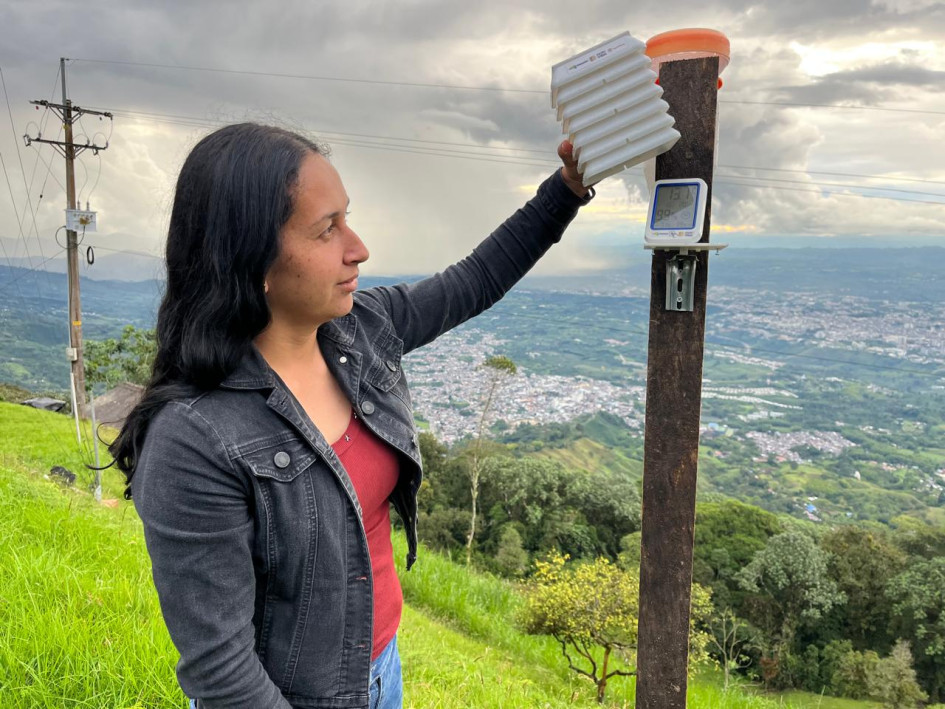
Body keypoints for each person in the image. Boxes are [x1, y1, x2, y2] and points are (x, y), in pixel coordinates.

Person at [111, 122, 593, 709]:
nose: (358, 247)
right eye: (326, 229)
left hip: (380, 671)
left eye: (347, 217)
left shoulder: (361, 330)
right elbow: (223, 674)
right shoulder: (193, 438)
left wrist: (568, 185)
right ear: (252, 256)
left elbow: (475, 280)